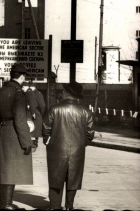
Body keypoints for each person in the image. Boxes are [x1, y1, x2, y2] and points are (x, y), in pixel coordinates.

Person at [42, 82, 94, 210]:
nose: (61, 93)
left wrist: (48, 141)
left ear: (66, 93)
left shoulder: (54, 109)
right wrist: (82, 143)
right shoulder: (86, 112)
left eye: (63, 91)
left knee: (55, 178)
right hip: (77, 151)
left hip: (56, 150)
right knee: (73, 179)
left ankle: (55, 206)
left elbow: (46, 130)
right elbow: (90, 134)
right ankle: (69, 206)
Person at [0, 64, 33, 210]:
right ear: (22, 76)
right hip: (14, 132)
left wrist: (4, 126)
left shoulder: (2, 90)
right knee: (11, 168)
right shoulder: (18, 93)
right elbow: (20, 119)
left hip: (4, 129)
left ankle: (4, 203)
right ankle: (7, 205)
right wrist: (26, 142)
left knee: (4, 167)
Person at [22, 81, 45, 152]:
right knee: (34, 129)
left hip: (34, 113)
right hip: (35, 113)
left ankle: (33, 144)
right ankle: (33, 143)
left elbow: (35, 104)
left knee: (33, 129)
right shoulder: (33, 93)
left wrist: (34, 112)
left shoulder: (30, 92)